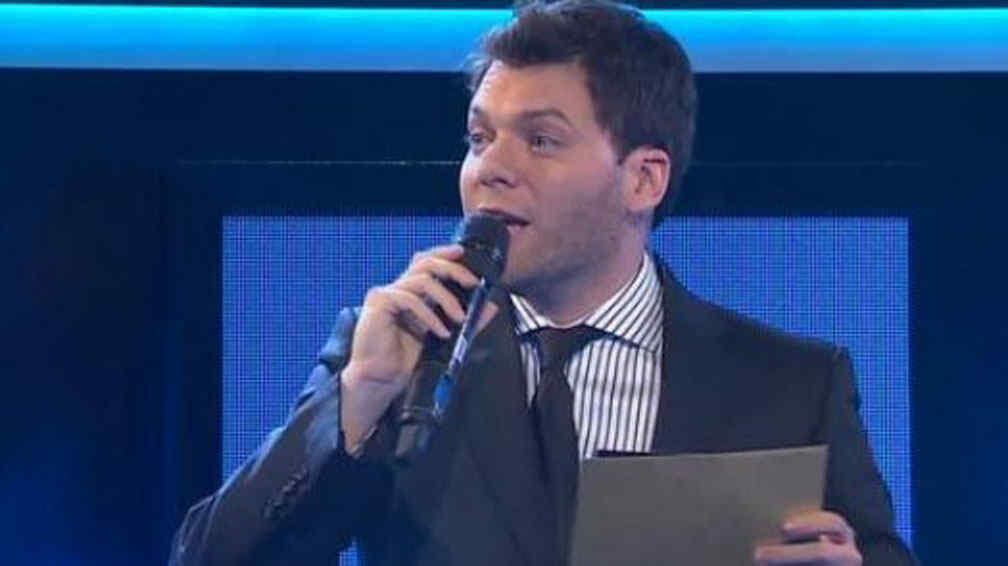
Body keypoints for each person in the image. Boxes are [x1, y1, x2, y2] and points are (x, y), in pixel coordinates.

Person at [170, 1, 915, 564]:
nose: (489, 168)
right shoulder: (400, 360)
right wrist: (357, 402)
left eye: (540, 139)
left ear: (643, 179)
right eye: (479, 136)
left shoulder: (791, 386)